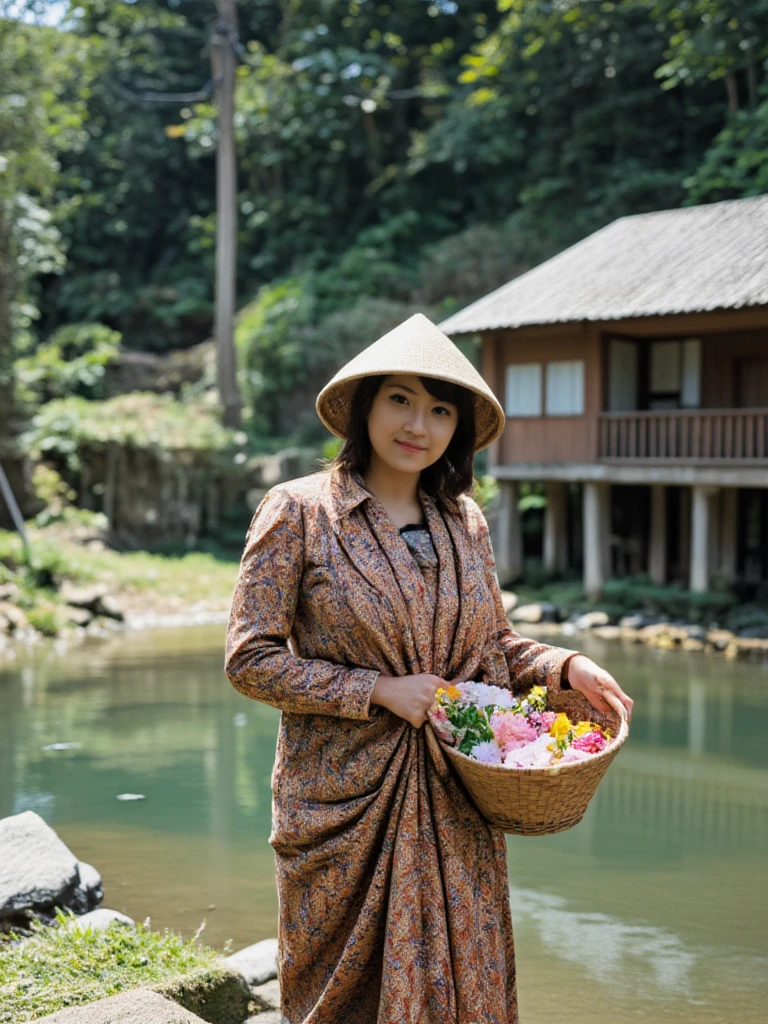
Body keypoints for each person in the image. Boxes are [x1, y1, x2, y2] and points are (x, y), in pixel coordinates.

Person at [225, 312, 633, 1024]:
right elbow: (250, 660)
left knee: (461, 989)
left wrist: (567, 665)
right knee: (342, 998)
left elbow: (492, 652)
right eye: (401, 399)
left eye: (441, 409)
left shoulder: (464, 521)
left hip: (455, 796)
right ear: (365, 407)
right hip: (345, 802)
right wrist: (378, 690)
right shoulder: (298, 512)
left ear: (458, 427)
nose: (419, 423)